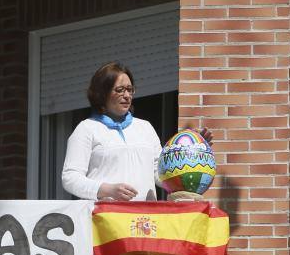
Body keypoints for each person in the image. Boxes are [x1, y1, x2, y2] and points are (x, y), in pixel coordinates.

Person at [61, 62, 212, 201]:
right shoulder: (86, 129)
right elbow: (70, 177)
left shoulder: (145, 127)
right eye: (119, 90)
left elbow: (161, 173)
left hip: (146, 221)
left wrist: (192, 154)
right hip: (104, 220)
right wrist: (105, 189)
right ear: (102, 94)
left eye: (129, 89)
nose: (126, 96)